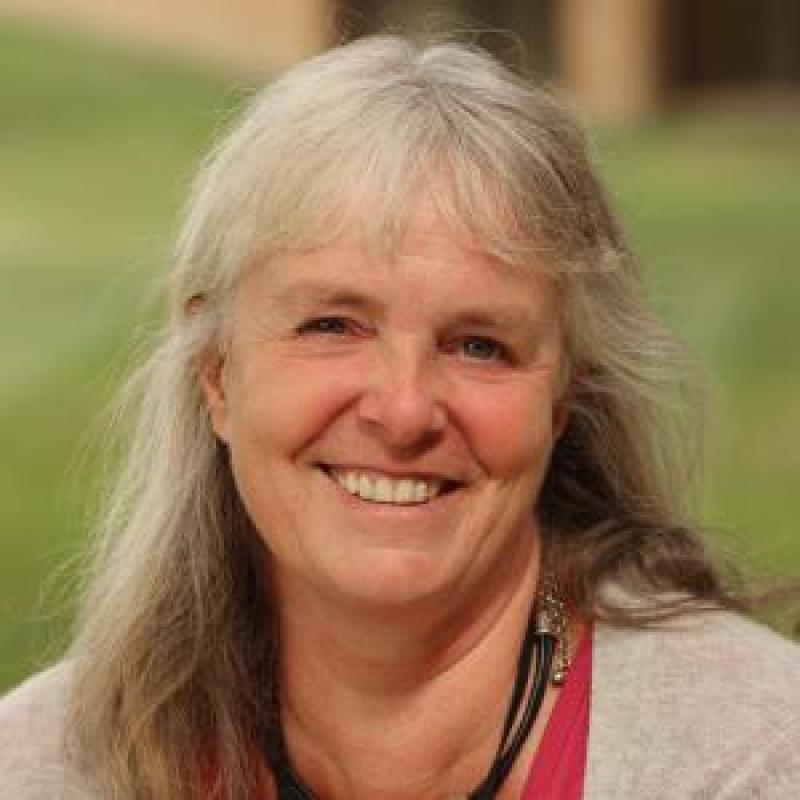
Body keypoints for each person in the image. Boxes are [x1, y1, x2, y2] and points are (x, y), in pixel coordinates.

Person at [1, 34, 799, 800]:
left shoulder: (757, 758)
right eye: (333, 326)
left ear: (563, 400)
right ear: (217, 376)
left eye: (480, 345)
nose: (405, 408)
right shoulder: (40, 767)